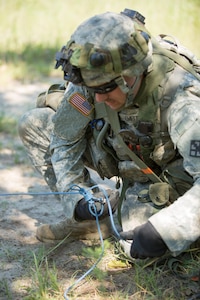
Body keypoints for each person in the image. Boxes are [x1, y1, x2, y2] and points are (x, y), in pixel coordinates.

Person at [18, 9, 200, 259]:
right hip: (123, 157)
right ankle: (90, 221)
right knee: (34, 124)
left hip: (169, 178)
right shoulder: (92, 81)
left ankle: (130, 216)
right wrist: (78, 200)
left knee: (136, 248)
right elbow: (63, 140)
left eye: (105, 88)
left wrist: (166, 229)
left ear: (132, 74)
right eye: (92, 89)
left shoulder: (181, 99)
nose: (99, 98)